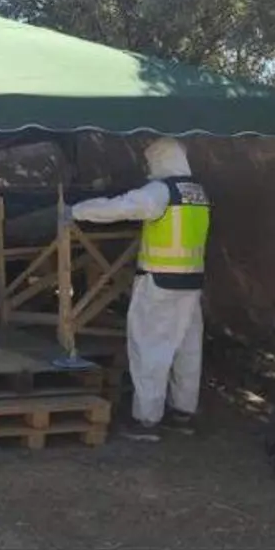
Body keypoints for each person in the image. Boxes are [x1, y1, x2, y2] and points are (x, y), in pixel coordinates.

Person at [64, 137, 211, 443]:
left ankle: (145, 421)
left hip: (159, 283)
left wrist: (76, 210)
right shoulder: (198, 193)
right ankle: (182, 413)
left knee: (150, 349)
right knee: (187, 349)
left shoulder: (161, 192)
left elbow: (121, 207)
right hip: (192, 283)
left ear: (159, 159)